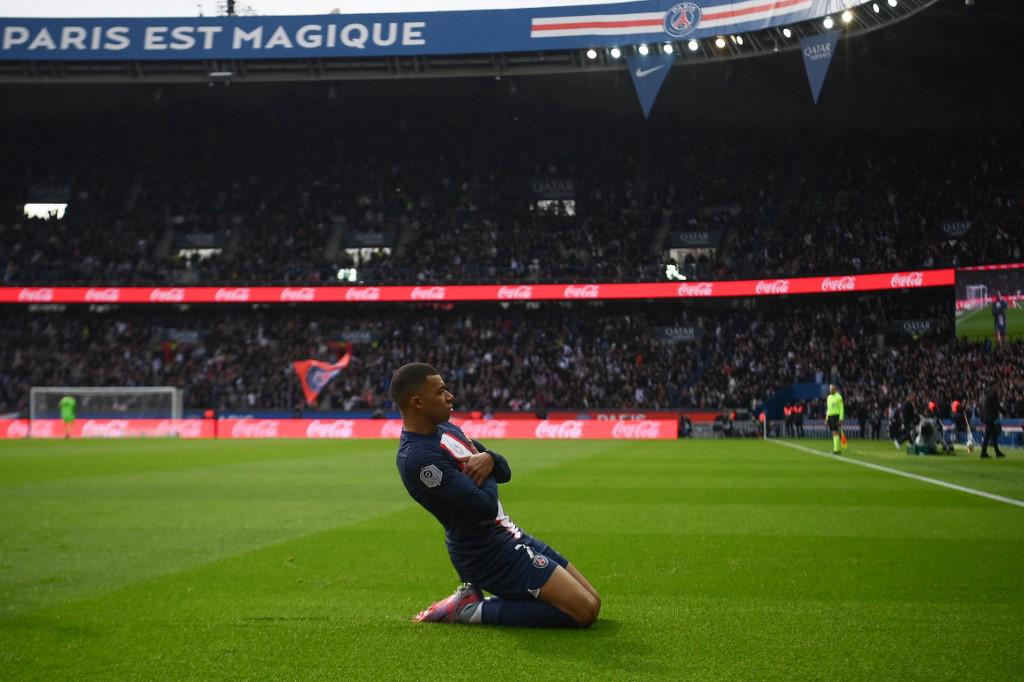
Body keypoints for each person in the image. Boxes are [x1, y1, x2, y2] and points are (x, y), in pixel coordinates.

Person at [392, 362, 601, 628]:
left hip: (508, 533)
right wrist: (487, 462)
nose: (450, 396)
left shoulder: (447, 429)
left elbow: (503, 469)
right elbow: (485, 505)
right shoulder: (419, 459)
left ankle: (476, 602)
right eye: (441, 391)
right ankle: (471, 610)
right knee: (583, 612)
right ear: (418, 403)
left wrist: (488, 458)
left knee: (593, 601)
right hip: (486, 554)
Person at [979, 385, 1006, 459]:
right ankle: (983, 453)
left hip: (986, 418)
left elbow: (981, 406)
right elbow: (997, 405)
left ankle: (997, 452)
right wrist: (1004, 413)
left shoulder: (985, 395)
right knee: (988, 436)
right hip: (990, 418)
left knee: (993, 435)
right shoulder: (993, 395)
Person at [825, 384, 845, 455]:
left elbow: (841, 408)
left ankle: (836, 450)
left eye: (832, 388)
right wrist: (826, 419)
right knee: (833, 433)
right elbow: (828, 409)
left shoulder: (838, 397)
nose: (830, 390)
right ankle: (836, 449)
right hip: (830, 416)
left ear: (835, 389)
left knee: (835, 432)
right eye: (830, 388)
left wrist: (841, 418)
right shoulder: (828, 397)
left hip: (835, 416)